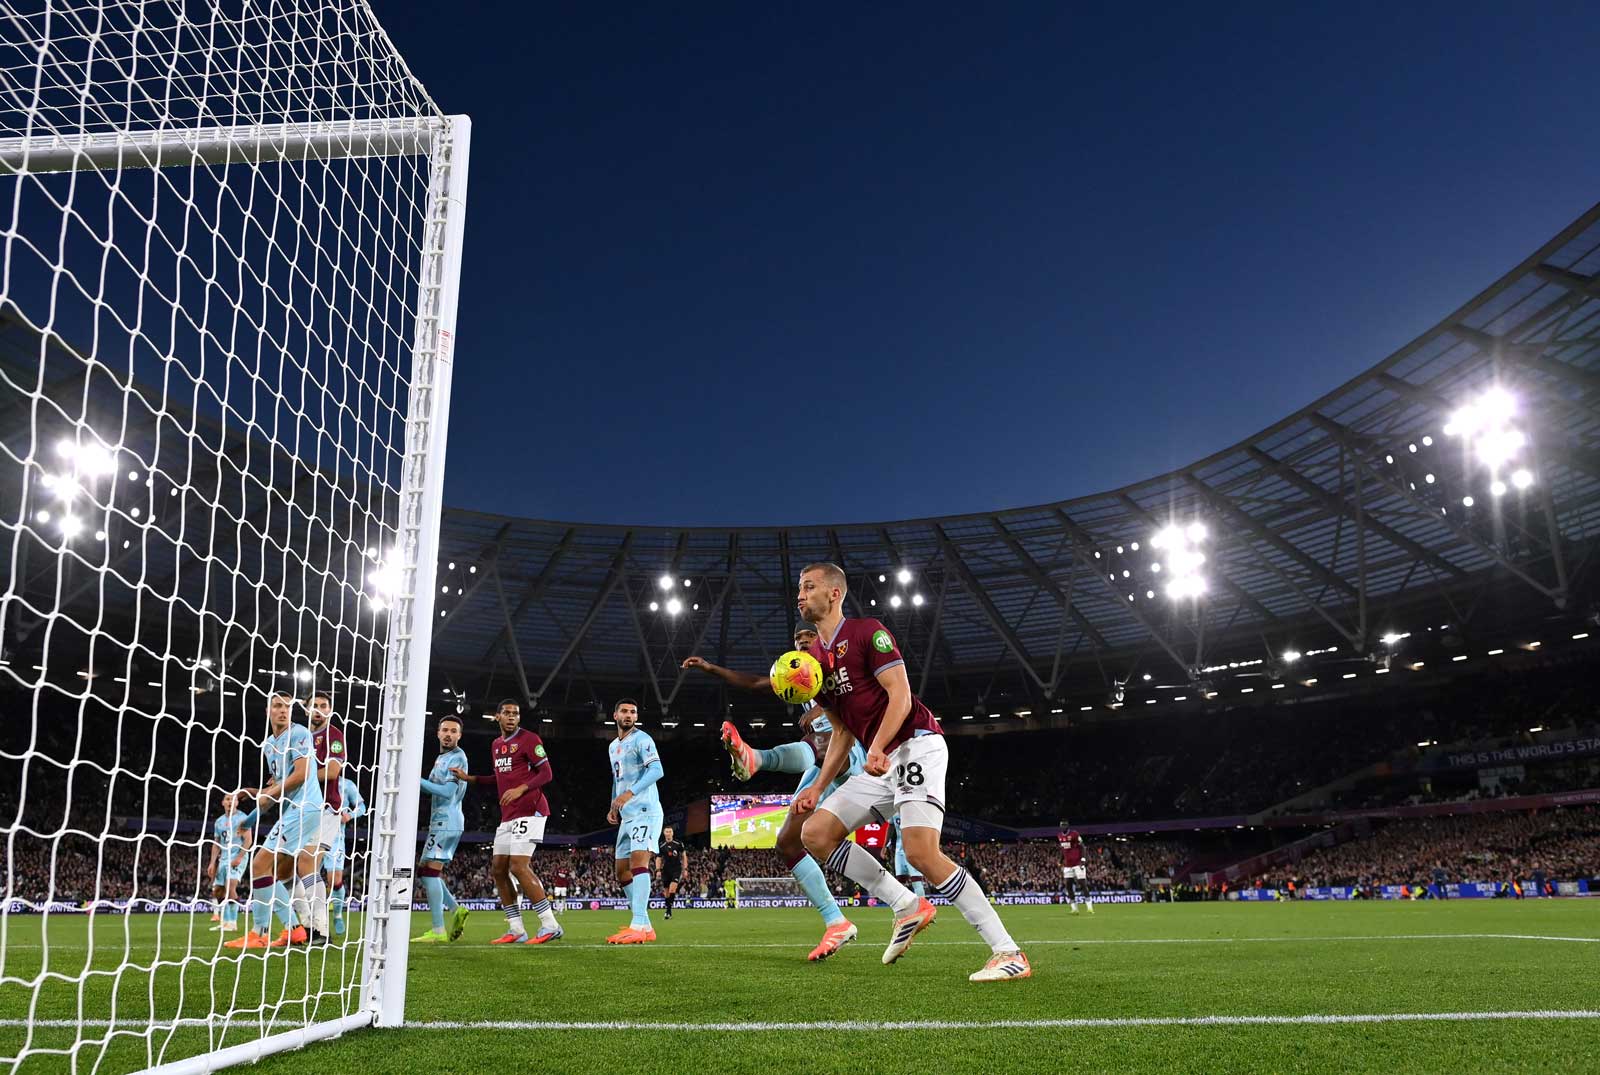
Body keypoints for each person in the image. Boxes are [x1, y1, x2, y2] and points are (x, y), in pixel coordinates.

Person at [791, 562, 1030, 982]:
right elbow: (843, 731)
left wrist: (879, 746)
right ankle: (907, 905)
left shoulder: (867, 632)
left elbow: (900, 696)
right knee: (815, 832)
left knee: (921, 852)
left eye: (808, 586)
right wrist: (819, 788)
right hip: (880, 761)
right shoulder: (815, 663)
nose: (800, 594)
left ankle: (1009, 952)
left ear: (834, 594)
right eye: (799, 587)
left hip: (916, 743)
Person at [683, 622, 865, 961]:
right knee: (787, 844)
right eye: (797, 640)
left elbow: (865, 694)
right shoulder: (797, 673)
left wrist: (822, 705)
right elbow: (754, 683)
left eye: (807, 638)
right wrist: (711, 669)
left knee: (820, 743)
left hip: (851, 751)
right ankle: (836, 921)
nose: (802, 644)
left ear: (820, 639)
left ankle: (757, 759)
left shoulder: (840, 665)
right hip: (817, 763)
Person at [451, 699, 561, 945]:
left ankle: (550, 924)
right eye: (507, 713)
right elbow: (499, 779)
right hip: (508, 815)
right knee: (498, 870)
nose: (511, 717)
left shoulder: (530, 739)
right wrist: (470, 778)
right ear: (497, 717)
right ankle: (516, 928)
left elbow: (547, 773)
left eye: (516, 713)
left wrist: (521, 788)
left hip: (531, 811)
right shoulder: (497, 745)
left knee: (518, 866)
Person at [226, 688, 325, 950]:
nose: (282, 710)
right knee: (277, 874)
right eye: (277, 706)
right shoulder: (269, 745)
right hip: (294, 810)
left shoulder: (300, 734)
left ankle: (264, 932)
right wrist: (247, 821)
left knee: (259, 865)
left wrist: (271, 791)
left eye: (287, 706)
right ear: (268, 710)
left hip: (305, 808)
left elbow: (301, 774)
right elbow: (275, 793)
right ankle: (292, 930)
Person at [606, 699, 664, 944]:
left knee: (639, 863)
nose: (629, 715)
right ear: (615, 714)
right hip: (627, 815)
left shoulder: (643, 739)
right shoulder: (612, 746)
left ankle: (638, 923)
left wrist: (630, 793)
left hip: (645, 811)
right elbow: (617, 780)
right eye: (624, 711)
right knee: (621, 871)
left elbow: (657, 770)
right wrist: (613, 804)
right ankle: (646, 926)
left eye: (633, 712)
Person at [415, 715, 470, 943]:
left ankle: (438, 929)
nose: (448, 734)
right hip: (440, 821)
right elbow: (431, 788)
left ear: (459, 735)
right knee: (425, 871)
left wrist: (413, 779)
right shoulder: (442, 758)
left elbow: (447, 792)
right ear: (438, 733)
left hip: (447, 821)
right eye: (444, 730)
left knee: (429, 873)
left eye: (453, 731)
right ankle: (456, 910)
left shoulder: (457, 758)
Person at [307, 690, 346, 937]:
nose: (319, 709)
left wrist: (299, 778)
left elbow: (332, 772)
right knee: (290, 869)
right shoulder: (301, 737)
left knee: (310, 864)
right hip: (302, 810)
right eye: (314, 705)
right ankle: (302, 923)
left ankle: (319, 927)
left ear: (329, 710)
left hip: (327, 809)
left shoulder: (334, 735)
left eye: (323, 705)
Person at [206, 792, 255, 933]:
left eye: (233, 799)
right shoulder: (219, 822)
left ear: (237, 803)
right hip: (224, 858)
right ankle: (225, 922)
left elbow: (248, 840)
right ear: (223, 802)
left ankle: (232, 922)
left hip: (237, 856)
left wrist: (240, 857)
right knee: (219, 890)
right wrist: (212, 862)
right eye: (227, 799)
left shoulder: (243, 818)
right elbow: (216, 844)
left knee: (230, 886)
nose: (230, 802)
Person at [324, 773, 366, 936]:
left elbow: (362, 807)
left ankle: (337, 915)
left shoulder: (347, 784)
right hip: (313, 832)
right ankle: (312, 920)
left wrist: (350, 815)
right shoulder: (315, 781)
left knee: (334, 880)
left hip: (335, 838)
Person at [887, 814, 926, 898]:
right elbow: (890, 827)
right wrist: (884, 846)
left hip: (913, 849)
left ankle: (923, 907)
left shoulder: (912, 808)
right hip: (899, 851)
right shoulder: (893, 811)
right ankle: (905, 907)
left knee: (916, 881)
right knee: (900, 882)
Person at [1058, 821, 1092, 914]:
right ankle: (1074, 908)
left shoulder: (1075, 834)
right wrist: (1060, 861)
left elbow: (1083, 847)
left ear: (1068, 826)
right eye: (1061, 825)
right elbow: (1063, 849)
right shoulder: (1059, 836)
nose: (1063, 826)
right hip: (1067, 865)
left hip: (1078, 863)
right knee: (1068, 885)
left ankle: (1089, 907)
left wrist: (1083, 859)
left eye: (1064, 825)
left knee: (1082, 884)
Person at [657, 826, 688, 920]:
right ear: (664, 833)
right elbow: (658, 858)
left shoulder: (678, 844)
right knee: (666, 892)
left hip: (676, 869)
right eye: (667, 831)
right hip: (666, 870)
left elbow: (684, 856)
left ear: (672, 833)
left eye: (670, 831)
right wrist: (658, 870)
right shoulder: (661, 845)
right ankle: (668, 909)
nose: (668, 833)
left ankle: (668, 911)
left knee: (672, 890)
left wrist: (685, 869)